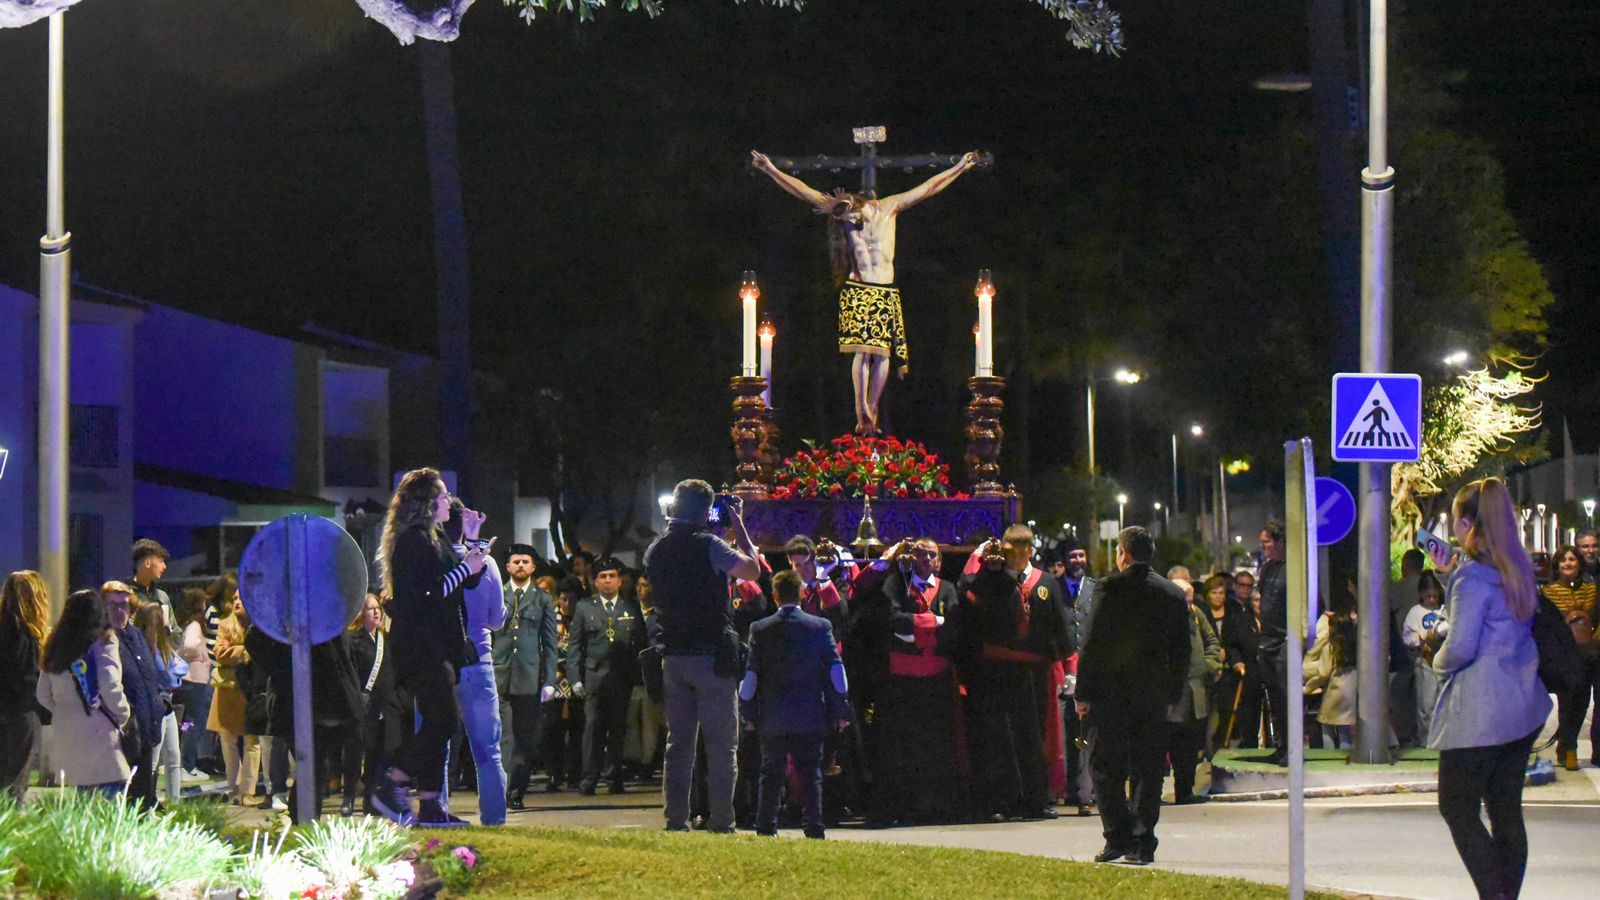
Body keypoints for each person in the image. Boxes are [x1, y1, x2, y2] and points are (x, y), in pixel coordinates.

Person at [750, 148, 982, 435]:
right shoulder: (846, 216)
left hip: (884, 288)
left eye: (849, 207)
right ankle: (862, 409)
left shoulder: (889, 207)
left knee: (882, 354)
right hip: (859, 287)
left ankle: (870, 409)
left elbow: (928, 188)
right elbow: (804, 192)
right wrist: (771, 170)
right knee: (862, 351)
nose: (847, 215)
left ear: (861, 201)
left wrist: (959, 167)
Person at [1422, 477, 1552, 899]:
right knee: (1506, 811)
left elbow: (1459, 647)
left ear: (1464, 524)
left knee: (1456, 807)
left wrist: (1436, 662)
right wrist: (1450, 579)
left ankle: (1495, 896)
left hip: (1478, 713)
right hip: (1522, 706)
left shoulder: (1474, 578)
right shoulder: (1515, 570)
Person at [642, 479, 762, 833]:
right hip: (711, 656)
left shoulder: (655, 550)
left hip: (672, 656)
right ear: (705, 511)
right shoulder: (710, 545)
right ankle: (722, 821)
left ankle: (675, 819)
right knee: (722, 746)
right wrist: (737, 522)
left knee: (678, 745)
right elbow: (752, 569)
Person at [373, 468, 491, 827]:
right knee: (444, 720)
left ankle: (430, 805)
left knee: (441, 723)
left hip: (436, 645)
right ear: (425, 503)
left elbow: (462, 582)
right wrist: (466, 567)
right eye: (441, 496)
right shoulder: (412, 540)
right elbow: (427, 593)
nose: (449, 502)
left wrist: (471, 543)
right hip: (420, 646)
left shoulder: (434, 537)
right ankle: (392, 778)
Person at [1074, 526, 1189, 866]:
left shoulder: (1109, 588)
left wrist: (1083, 693)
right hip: (1152, 695)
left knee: (1104, 767)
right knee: (1148, 769)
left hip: (1110, 695)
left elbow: (1091, 644)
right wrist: (1173, 692)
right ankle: (1142, 841)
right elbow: (1181, 650)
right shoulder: (1171, 593)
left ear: (1122, 553)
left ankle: (1117, 835)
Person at [948, 525, 1072, 821]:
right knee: (997, 737)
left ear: (1028, 551)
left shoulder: (1046, 583)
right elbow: (966, 601)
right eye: (1007, 552)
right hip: (995, 670)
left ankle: (1036, 800)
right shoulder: (989, 581)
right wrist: (982, 565)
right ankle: (999, 801)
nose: (1012, 558)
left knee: (1033, 736)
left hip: (1032, 671)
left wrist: (1068, 668)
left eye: (1017, 552)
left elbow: (1060, 625)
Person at [741, 570, 852, 839]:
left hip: (773, 714)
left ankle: (766, 826)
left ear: (775, 595)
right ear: (802, 593)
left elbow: (751, 675)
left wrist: (748, 713)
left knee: (771, 773)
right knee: (811, 773)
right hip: (810, 712)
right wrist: (841, 709)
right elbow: (836, 671)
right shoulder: (820, 627)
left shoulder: (760, 629)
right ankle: (814, 827)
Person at [865, 536, 962, 824]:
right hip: (901, 679)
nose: (926, 560)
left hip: (936, 678)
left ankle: (934, 806)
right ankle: (901, 807)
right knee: (901, 745)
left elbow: (954, 625)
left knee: (935, 744)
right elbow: (891, 618)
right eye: (920, 555)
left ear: (939, 561)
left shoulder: (947, 589)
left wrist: (914, 629)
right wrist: (932, 623)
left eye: (932, 555)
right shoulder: (897, 585)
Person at [35, 589, 130, 796]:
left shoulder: (55, 643)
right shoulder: (104, 640)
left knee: (84, 798)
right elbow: (110, 685)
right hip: (99, 727)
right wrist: (122, 714)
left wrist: (65, 709)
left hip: (66, 730)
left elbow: (42, 694)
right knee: (111, 800)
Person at [568, 557, 646, 796]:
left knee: (619, 730)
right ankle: (589, 779)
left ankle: (615, 778)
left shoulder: (630, 607)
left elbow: (641, 645)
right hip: (594, 677)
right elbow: (575, 646)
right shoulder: (585, 607)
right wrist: (575, 678)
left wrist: (640, 678)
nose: (608, 581)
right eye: (603, 577)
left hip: (621, 678)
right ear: (595, 582)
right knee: (593, 730)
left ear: (620, 581)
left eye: (612, 576)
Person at [493, 544, 559, 809]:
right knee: (503, 737)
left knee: (525, 740)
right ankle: (504, 791)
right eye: (515, 561)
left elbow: (550, 643)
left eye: (525, 562)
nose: (520, 566)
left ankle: (517, 789)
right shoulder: (497, 594)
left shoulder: (542, 599)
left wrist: (550, 680)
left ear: (533, 567)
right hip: (499, 674)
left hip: (529, 677)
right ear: (507, 567)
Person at [102, 581, 167, 808]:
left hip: (147, 727)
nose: (120, 610)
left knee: (144, 795)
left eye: (124, 605)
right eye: (113, 605)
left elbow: (149, 677)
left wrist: (160, 704)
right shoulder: (103, 640)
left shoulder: (136, 636)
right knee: (127, 799)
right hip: (124, 732)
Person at [1539, 543, 1597, 770]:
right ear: (1557, 565)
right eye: (1563, 560)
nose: (1568, 564)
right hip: (1564, 656)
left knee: (1583, 703)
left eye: (1572, 559)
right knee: (1568, 704)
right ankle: (1567, 747)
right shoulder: (1548, 592)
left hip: (1590, 653)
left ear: (1579, 563)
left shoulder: (1592, 590)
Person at [1166, 579, 1221, 804]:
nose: (1189, 606)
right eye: (1184, 602)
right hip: (1170, 693)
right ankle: (1152, 794)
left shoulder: (1197, 614)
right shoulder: (1159, 617)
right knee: (1165, 743)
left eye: (1190, 601)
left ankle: (1185, 790)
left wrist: (1208, 665)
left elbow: (1212, 642)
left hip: (1196, 690)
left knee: (1189, 745)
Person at [345, 593, 396, 816]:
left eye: (377, 608)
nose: (375, 612)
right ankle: (348, 798)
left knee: (377, 755)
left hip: (382, 707)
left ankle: (370, 801)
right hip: (360, 705)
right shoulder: (353, 640)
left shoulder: (386, 639)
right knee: (355, 754)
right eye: (369, 608)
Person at [1, 571, 50, 801]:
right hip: (21, 713)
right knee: (16, 784)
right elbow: (26, 678)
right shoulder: (24, 633)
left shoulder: (4, 627)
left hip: (5, 711)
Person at [208, 583, 258, 804]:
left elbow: (262, 654)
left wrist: (235, 651)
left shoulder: (260, 626)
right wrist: (245, 651)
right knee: (227, 740)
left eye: (242, 598)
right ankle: (233, 787)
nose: (237, 602)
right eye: (235, 598)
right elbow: (220, 653)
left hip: (251, 689)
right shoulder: (225, 624)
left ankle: (248, 790)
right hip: (228, 689)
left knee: (252, 740)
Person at [134, 602, 188, 806]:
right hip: (155, 710)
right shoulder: (147, 651)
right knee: (153, 762)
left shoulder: (162, 649)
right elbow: (169, 678)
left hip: (166, 708)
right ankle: (148, 805)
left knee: (173, 757)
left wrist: (173, 677)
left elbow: (181, 667)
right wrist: (174, 678)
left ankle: (174, 803)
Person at [540, 578, 586, 792]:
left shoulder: (582, 616)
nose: (567, 603)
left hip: (577, 679)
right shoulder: (549, 615)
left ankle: (576, 773)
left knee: (578, 728)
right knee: (552, 728)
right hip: (554, 680)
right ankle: (554, 774)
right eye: (563, 598)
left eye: (571, 599)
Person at [1253, 523, 1292, 763]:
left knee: (1286, 696)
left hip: (1284, 640)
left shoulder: (1293, 568)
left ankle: (1291, 748)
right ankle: (1281, 744)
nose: (1263, 547)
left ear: (1279, 542)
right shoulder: (1267, 569)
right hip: (1267, 639)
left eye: (1266, 542)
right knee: (1274, 697)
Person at [1401, 571, 1449, 745]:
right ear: (1421, 595)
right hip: (1424, 661)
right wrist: (1420, 640)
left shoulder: (1443, 611)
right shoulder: (1416, 612)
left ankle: (1440, 740)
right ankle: (1425, 741)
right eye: (1428, 596)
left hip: (1443, 661)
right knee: (1426, 705)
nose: (1432, 599)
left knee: (1442, 704)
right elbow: (1407, 637)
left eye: (1435, 595)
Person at [175, 589, 216, 781]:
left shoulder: (187, 624)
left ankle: (185, 764)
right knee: (193, 724)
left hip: (188, 681)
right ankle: (188, 766)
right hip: (196, 681)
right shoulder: (195, 626)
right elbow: (190, 646)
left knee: (187, 724)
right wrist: (198, 656)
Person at [130, 538, 181, 646]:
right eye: (160, 561)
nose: (164, 566)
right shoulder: (126, 595)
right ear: (147, 563)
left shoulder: (162, 597)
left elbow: (176, 632)